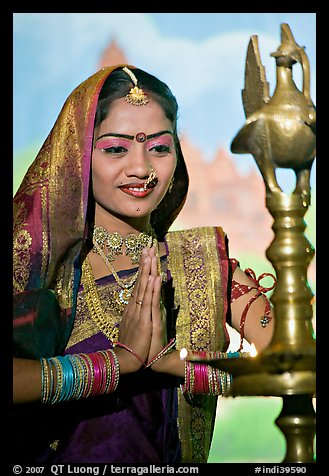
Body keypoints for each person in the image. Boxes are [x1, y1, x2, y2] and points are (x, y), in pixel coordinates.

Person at [13, 65, 276, 464]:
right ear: (79, 156)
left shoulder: (203, 261)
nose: (141, 169)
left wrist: (177, 365)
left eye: (159, 147)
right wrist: (116, 363)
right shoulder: (42, 267)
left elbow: (293, 367)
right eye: (116, 149)